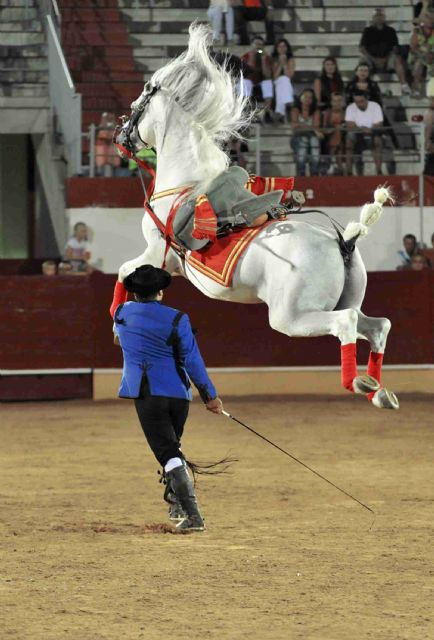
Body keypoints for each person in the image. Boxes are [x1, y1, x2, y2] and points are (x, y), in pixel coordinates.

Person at [112, 265, 224, 531]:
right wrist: (210, 396)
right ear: (160, 292)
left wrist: (120, 282)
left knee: (169, 454)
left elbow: (116, 321)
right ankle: (177, 504)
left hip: (148, 392)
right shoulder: (178, 318)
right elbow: (192, 359)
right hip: (178, 394)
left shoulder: (122, 314)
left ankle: (193, 516)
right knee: (173, 448)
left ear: (134, 293)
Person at [359, 9, 410, 96]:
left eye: (381, 16)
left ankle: (404, 85)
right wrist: (374, 59)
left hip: (387, 59)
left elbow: (395, 48)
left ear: (384, 18)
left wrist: (385, 59)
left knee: (397, 59)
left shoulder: (390, 31)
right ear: (373, 18)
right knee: (362, 62)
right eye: (377, 16)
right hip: (372, 59)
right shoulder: (367, 31)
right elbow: (362, 48)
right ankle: (363, 88)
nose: (379, 18)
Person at [344, 90, 384, 176]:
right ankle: (349, 172)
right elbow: (350, 124)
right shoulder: (350, 108)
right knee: (349, 139)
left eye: (361, 101)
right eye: (356, 102)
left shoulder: (375, 106)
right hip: (357, 134)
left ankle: (379, 171)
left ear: (367, 99)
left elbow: (379, 124)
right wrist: (363, 130)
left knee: (377, 141)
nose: (359, 104)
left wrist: (369, 130)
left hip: (372, 133)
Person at [240, 35, 274, 121]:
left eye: (260, 44)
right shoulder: (245, 57)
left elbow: (267, 75)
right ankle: (246, 112)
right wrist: (252, 57)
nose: (258, 46)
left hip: (261, 81)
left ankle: (267, 113)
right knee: (245, 83)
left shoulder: (267, 58)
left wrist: (263, 60)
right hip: (248, 80)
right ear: (252, 45)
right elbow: (246, 73)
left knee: (268, 83)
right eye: (256, 44)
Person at [290, 88, 323, 176]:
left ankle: (314, 173)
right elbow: (294, 126)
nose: (307, 99)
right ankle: (301, 174)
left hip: (312, 137)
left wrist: (302, 125)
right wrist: (311, 128)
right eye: (305, 96)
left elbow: (315, 125)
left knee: (314, 141)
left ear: (313, 100)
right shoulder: (295, 110)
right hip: (297, 137)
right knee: (303, 141)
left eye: (310, 97)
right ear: (301, 97)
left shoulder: (316, 111)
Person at [271, 38, 295, 122]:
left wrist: (285, 64)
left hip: (286, 83)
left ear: (287, 48)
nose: (282, 49)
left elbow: (290, 76)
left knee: (284, 79)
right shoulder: (273, 59)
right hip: (276, 83)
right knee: (283, 80)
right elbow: (275, 77)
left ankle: (280, 111)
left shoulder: (291, 59)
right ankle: (288, 102)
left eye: (284, 46)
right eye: (279, 47)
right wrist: (280, 64)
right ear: (276, 48)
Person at [409, 18, 434, 96]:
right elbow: (413, 48)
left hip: (430, 56)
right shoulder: (417, 31)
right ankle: (416, 88)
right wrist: (424, 54)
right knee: (418, 64)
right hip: (416, 56)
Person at [322, 92, 346, 175]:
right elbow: (323, 128)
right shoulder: (327, 113)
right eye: (335, 101)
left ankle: (332, 161)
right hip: (329, 137)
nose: (337, 103)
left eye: (339, 101)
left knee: (338, 132)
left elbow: (349, 126)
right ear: (331, 102)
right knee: (336, 132)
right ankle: (339, 166)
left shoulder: (346, 113)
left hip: (344, 137)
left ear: (343, 102)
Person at [95, 112, 121, 177]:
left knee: (113, 168)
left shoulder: (115, 127)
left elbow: (115, 136)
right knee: (101, 168)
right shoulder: (100, 127)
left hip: (111, 152)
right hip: (102, 152)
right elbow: (102, 136)